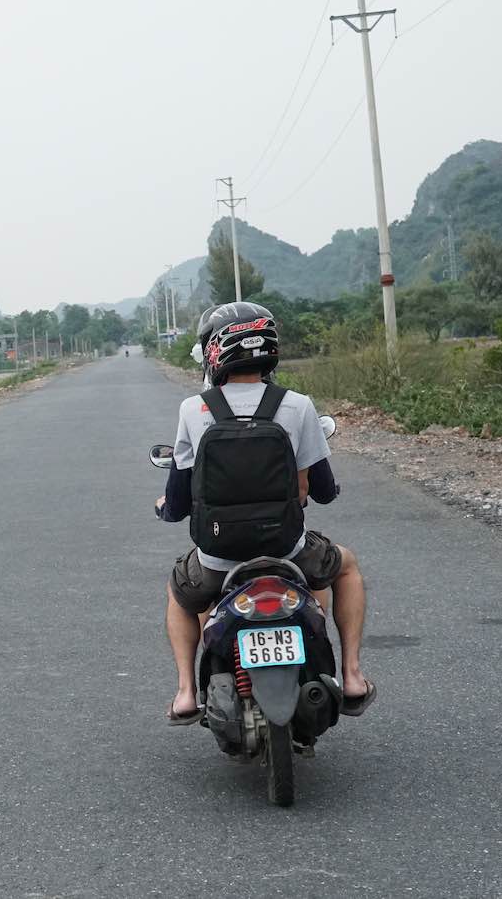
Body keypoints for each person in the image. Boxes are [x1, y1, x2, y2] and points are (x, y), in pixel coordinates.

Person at [154, 301, 374, 725]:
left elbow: (178, 500)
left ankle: (184, 691)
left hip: (218, 559)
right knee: (345, 567)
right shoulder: (297, 405)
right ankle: (350, 676)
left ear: (215, 351)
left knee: (180, 592)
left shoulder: (194, 410)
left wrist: (168, 509)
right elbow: (324, 492)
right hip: (288, 552)